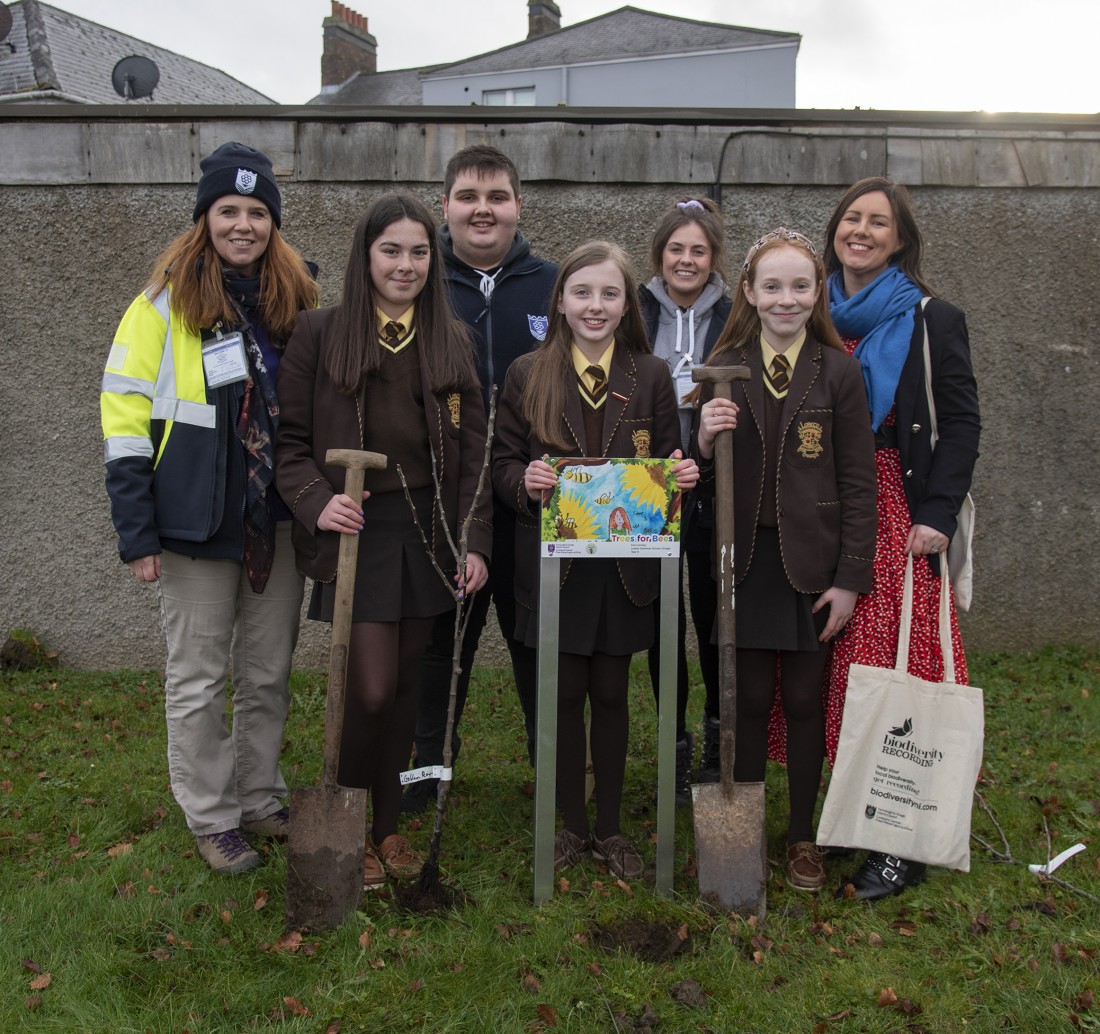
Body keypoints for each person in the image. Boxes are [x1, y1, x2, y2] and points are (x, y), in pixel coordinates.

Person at [100, 142, 318, 873]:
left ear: (273, 225)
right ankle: (213, 814)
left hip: (276, 523)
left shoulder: (300, 303)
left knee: (266, 671)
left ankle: (259, 796)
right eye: (229, 210)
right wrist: (138, 533)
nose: (244, 225)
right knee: (197, 677)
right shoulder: (158, 307)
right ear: (204, 219)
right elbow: (124, 419)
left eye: (258, 213)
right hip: (192, 525)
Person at [275, 192, 491, 889]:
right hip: (357, 534)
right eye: (391, 250)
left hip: (426, 536)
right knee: (368, 690)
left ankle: (389, 828)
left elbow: (475, 457)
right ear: (366, 256)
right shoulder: (321, 333)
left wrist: (474, 540)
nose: (406, 265)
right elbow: (288, 448)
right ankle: (345, 818)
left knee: (403, 689)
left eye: (419, 252)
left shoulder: (453, 341)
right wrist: (318, 502)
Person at [493, 241, 699, 880]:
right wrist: (522, 482)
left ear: (626, 303)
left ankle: (609, 828)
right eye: (582, 292)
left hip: (624, 570)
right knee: (563, 693)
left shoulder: (652, 374)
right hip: (556, 570)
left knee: (612, 690)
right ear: (560, 301)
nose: (596, 305)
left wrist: (682, 476)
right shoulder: (528, 373)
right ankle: (571, 828)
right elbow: (501, 464)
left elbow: (667, 462)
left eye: (610, 293)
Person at [694, 228, 877, 892]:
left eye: (800, 285)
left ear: (817, 291)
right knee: (743, 698)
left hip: (811, 566)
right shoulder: (724, 363)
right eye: (771, 285)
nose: (786, 298)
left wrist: (851, 577)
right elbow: (699, 471)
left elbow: (859, 481)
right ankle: (737, 835)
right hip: (740, 565)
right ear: (748, 290)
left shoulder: (839, 371)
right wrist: (705, 434)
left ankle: (802, 835)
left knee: (802, 698)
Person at [821, 177, 980, 900]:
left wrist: (938, 513)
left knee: (898, 664)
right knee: (834, 664)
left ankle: (902, 837)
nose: (861, 230)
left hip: (897, 507)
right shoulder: (809, 307)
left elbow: (962, 420)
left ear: (900, 238)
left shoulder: (930, 317)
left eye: (877, 222)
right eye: (851, 218)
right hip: (821, 503)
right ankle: (846, 809)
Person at [402, 145, 558, 813]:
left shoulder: (556, 284)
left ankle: (552, 780)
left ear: (519, 205)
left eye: (497, 196)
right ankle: (427, 777)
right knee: (441, 648)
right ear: (446, 206)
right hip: (450, 497)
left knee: (536, 644)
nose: (483, 209)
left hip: (532, 497)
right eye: (468, 196)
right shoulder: (418, 279)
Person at [638, 196, 732, 800]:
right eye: (677, 249)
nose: (687, 260)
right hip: (652, 477)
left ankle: (721, 740)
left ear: (713, 258)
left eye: (698, 250)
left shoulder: (735, 313)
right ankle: (674, 743)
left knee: (713, 610)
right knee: (660, 618)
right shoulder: (637, 310)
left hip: (715, 479)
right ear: (661, 254)